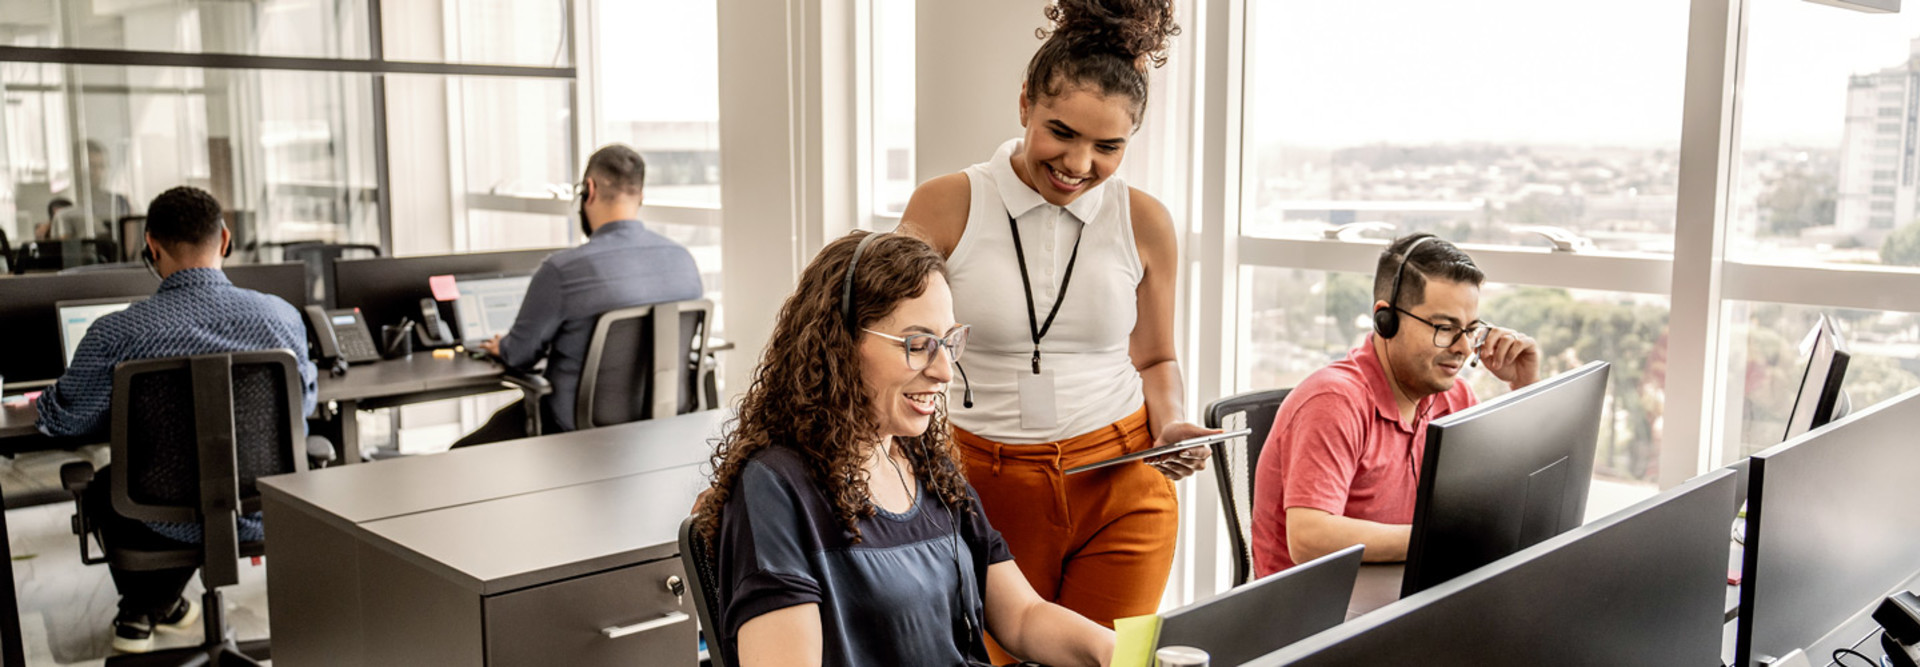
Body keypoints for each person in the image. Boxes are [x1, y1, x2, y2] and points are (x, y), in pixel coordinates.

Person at [896, 0, 1207, 656]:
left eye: (1108, 146)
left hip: (1123, 475)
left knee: (1115, 661)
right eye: (1061, 131)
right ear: (1024, 106)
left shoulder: (1145, 220)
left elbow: (1155, 357)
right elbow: (894, 345)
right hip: (980, 482)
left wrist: (1172, 420)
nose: (1079, 162)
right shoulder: (948, 203)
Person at [698, 231, 1114, 667]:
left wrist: (1116, 654)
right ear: (840, 345)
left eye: (949, 342)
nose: (944, 371)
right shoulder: (778, 487)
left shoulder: (928, 468)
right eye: (918, 345)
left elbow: (1024, 618)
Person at [35, 185, 318, 653]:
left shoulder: (116, 332)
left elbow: (63, 421)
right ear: (225, 240)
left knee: (108, 484)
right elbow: (301, 409)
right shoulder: (282, 318)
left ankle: (147, 606)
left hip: (155, 519)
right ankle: (158, 607)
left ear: (151, 245)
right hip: (265, 505)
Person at [1249, 233, 1542, 576]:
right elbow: (1309, 537)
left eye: (1471, 330)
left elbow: (1505, 505)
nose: (1463, 347)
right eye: (1445, 328)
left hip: (1401, 596)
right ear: (1386, 320)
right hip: (1320, 618)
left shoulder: (1454, 398)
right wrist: (1435, 539)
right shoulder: (1333, 402)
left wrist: (1523, 386)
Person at [451, 144, 703, 447]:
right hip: (658, 431)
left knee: (461, 452)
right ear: (641, 195)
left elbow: (519, 354)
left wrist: (500, 345)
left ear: (589, 190)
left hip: (575, 432)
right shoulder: (683, 261)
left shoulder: (562, 270)